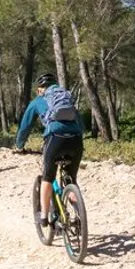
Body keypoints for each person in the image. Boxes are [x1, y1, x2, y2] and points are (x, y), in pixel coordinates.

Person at [15, 72, 84, 227]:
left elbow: (25, 127)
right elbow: (80, 123)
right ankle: (79, 218)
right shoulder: (66, 98)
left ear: (40, 89)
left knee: (48, 177)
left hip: (55, 138)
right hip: (76, 140)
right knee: (71, 179)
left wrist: (19, 146)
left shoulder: (39, 100)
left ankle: (44, 217)